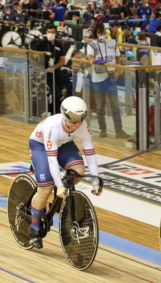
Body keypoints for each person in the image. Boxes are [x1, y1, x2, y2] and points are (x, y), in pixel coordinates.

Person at [27, 96, 102, 248]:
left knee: (78, 171)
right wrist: (59, 184)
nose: (76, 125)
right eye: (72, 120)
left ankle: (60, 202)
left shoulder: (82, 126)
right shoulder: (52, 126)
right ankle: (34, 227)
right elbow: (52, 160)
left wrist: (95, 181)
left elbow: (90, 153)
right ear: (64, 115)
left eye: (80, 119)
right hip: (41, 146)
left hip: (65, 144)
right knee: (46, 188)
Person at [87, 24, 130, 139]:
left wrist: (118, 71)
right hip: (97, 78)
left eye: (104, 33)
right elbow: (90, 55)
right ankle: (103, 129)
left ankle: (119, 130)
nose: (102, 35)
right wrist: (91, 59)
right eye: (100, 33)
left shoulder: (112, 43)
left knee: (115, 106)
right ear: (96, 34)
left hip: (111, 77)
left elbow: (118, 57)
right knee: (100, 106)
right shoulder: (91, 44)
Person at [32, 24, 65, 115]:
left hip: (57, 72)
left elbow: (62, 61)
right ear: (46, 33)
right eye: (49, 32)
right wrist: (39, 66)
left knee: (58, 96)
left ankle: (53, 113)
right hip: (46, 73)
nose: (50, 34)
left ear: (56, 33)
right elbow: (31, 55)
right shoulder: (41, 44)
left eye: (52, 32)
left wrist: (54, 67)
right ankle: (51, 112)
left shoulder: (59, 44)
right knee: (57, 95)